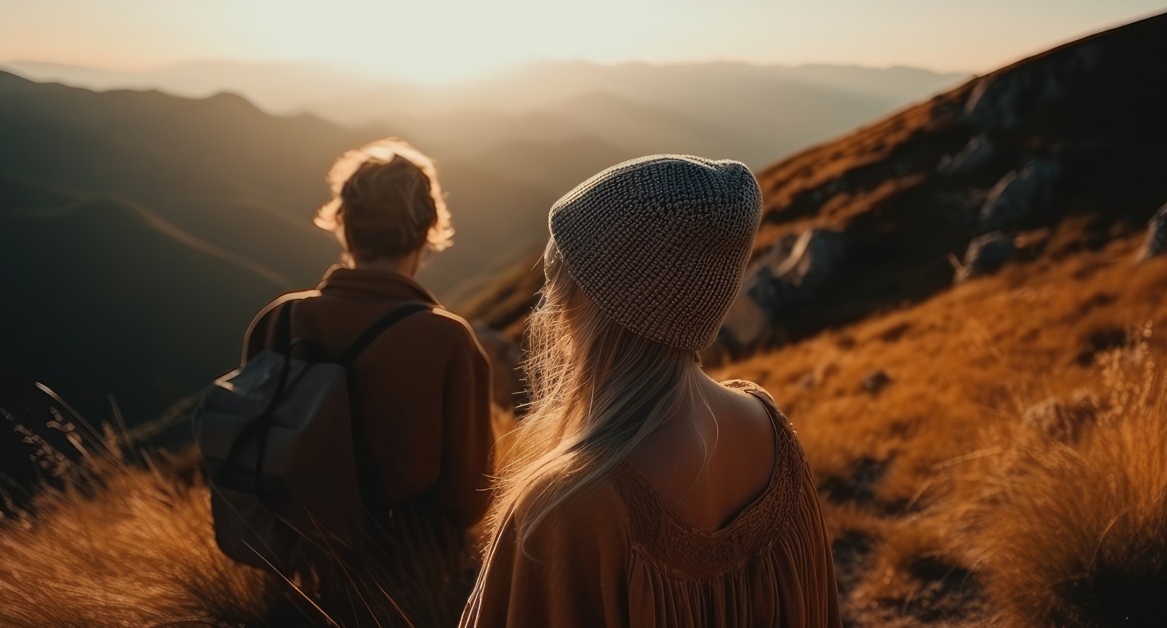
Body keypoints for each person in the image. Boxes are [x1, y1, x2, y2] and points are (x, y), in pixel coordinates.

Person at [460, 155, 842, 627]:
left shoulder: (565, 505)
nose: (553, 305)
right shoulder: (771, 433)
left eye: (560, 283)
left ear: (589, 308)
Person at [242, 139, 494, 626]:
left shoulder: (279, 320)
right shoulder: (447, 340)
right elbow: (469, 497)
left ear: (344, 223)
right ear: (427, 230)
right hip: (406, 588)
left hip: (294, 577)